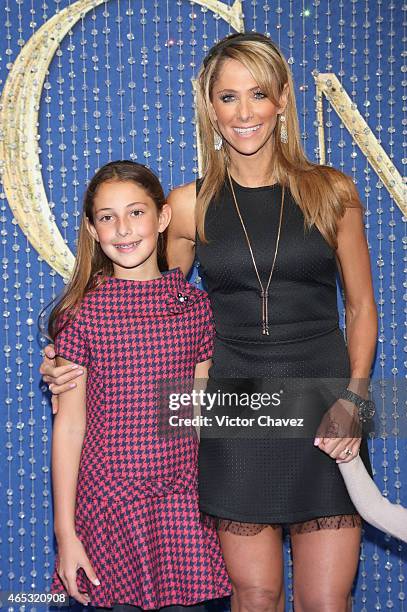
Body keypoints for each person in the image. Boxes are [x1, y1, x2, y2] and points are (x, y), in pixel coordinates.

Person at [40, 32, 403, 611]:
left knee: (325, 601)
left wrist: (356, 400)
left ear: (283, 100)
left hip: (326, 408)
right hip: (233, 416)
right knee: (254, 594)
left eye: (257, 94)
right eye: (227, 97)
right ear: (209, 106)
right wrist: (66, 357)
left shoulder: (334, 192)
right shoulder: (188, 205)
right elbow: (147, 302)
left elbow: (361, 307)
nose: (244, 112)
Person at [46, 160, 231, 611]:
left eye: (136, 212)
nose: (123, 229)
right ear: (92, 229)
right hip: (109, 505)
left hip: (183, 505)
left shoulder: (195, 307)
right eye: (107, 217)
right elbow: (70, 427)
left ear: (163, 218)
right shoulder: (83, 315)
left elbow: (199, 411)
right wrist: (66, 535)